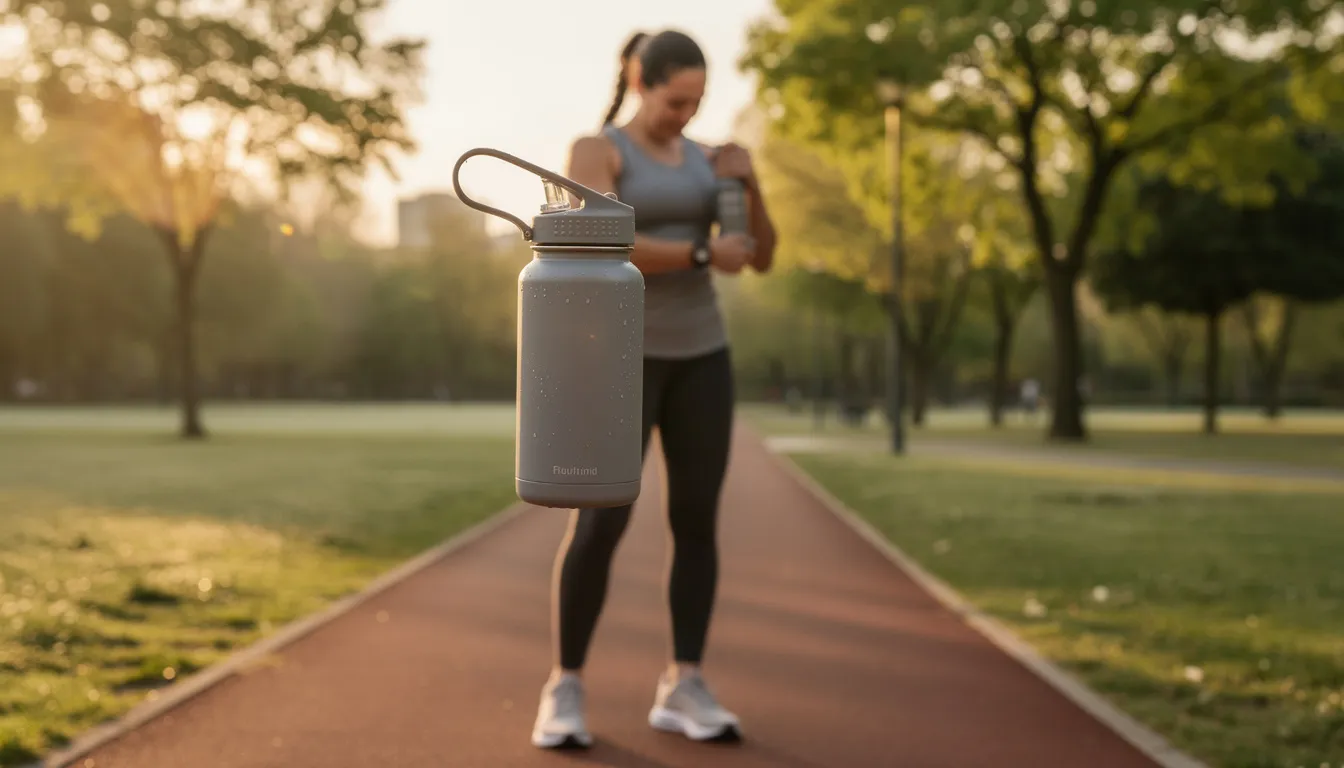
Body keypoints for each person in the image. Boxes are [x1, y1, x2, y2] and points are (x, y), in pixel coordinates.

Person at [530, 28, 777, 750]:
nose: (688, 116)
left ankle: (684, 683)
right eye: (676, 101)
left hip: (703, 355)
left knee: (696, 521)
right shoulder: (596, 150)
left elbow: (757, 260)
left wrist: (750, 182)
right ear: (641, 83)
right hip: (621, 362)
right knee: (601, 520)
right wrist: (701, 249)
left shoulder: (709, 161)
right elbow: (603, 238)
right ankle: (564, 687)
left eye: (699, 102)